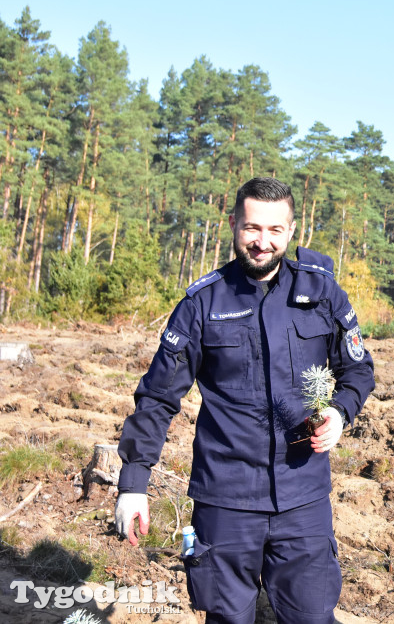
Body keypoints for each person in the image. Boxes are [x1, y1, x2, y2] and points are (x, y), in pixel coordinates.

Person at [115, 177, 375, 624]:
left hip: (303, 499)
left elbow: (358, 369)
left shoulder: (322, 294)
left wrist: (339, 411)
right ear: (233, 224)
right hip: (225, 500)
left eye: (275, 230)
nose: (262, 242)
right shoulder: (202, 303)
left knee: (313, 617)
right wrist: (134, 482)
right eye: (252, 228)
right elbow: (158, 397)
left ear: (291, 231)